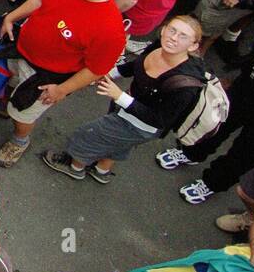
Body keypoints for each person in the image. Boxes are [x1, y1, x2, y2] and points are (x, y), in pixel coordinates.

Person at [0, 0, 128, 168]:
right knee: (7, 81)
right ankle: (1, 105)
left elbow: (95, 70)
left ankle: (20, 140)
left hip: (47, 77)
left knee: (23, 113)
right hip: (21, 50)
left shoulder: (110, 29)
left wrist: (61, 90)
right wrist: (11, 17)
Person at [43, 16, 209, 184]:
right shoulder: (160, 46)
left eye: (183, 36)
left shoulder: (184, 86)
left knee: (89, 136)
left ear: (194, 45)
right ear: (164, 29)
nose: (173, 38)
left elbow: (159, 120)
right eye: (172, 30)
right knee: (117, 142)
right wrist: (109, 74)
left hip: (140, 124)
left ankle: (74, 167)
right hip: (126, 104)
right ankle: (101, 170)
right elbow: (137, 65)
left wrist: (120, 97)